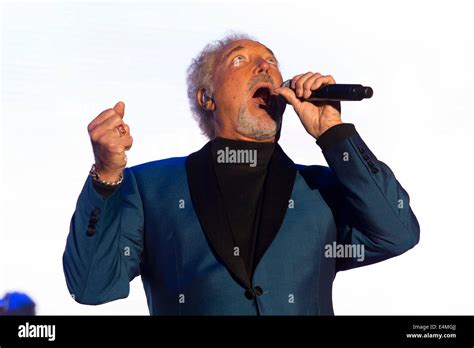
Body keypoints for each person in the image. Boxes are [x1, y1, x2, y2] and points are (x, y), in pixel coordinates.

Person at [63, 33, 420, 315]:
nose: (263, 67)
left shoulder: (320, 189)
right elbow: (92, 285)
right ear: (207, 98)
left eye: (271, 62)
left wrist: (334, 132)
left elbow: (397, 233)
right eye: (240, 59)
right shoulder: (149, 188)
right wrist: (106, 175)